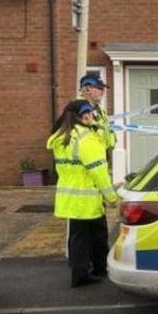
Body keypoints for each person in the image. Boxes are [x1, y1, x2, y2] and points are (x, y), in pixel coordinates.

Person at [47, 99, 118, 288]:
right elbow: (99, 172)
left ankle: (81, 272)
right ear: (81, 116)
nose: (91, 116)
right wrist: (111, 197)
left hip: (70, 197)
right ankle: (94, 271)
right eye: (88, 113)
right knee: (98, 236)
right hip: (88, 197)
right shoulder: (86, 139)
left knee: (78, 237)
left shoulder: (63, 137)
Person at [78, 74, 116, 152]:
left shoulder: (99, 108)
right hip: (89, 155)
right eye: (99, 88)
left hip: (102, 152)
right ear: (88, 89)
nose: (103, 92)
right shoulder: (79, 108)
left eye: (103, 89)